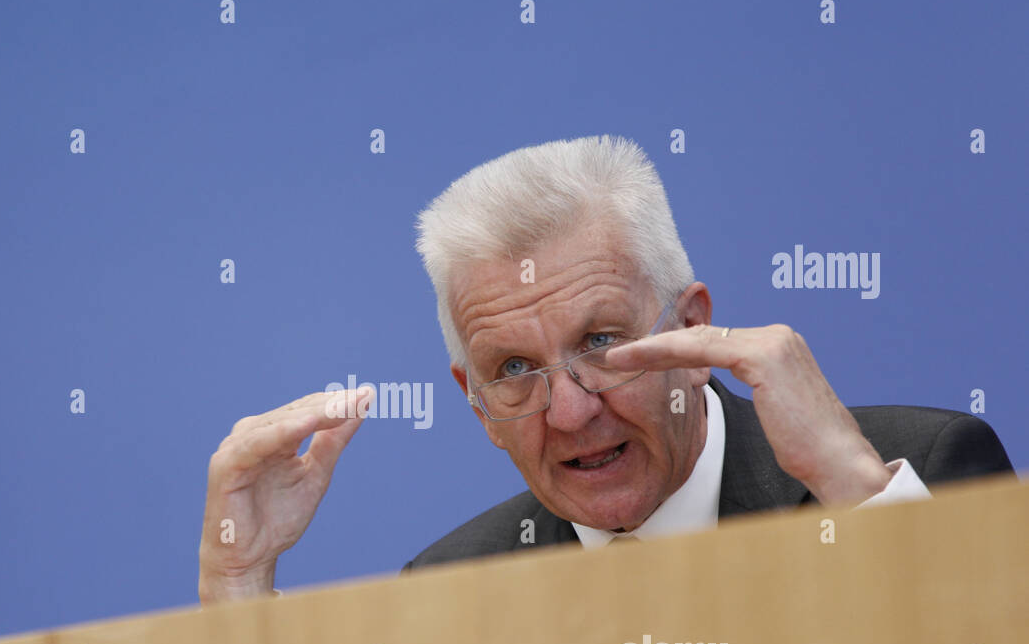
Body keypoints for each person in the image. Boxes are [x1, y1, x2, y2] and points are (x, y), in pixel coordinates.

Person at [197, 135, 1013, 603]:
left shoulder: (920, 472)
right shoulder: (454, 591)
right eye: (514, 368)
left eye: (600, 345)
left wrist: (858, 496)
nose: (570, 413)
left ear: (695, 331)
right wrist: (241, 580)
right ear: (478, 409)